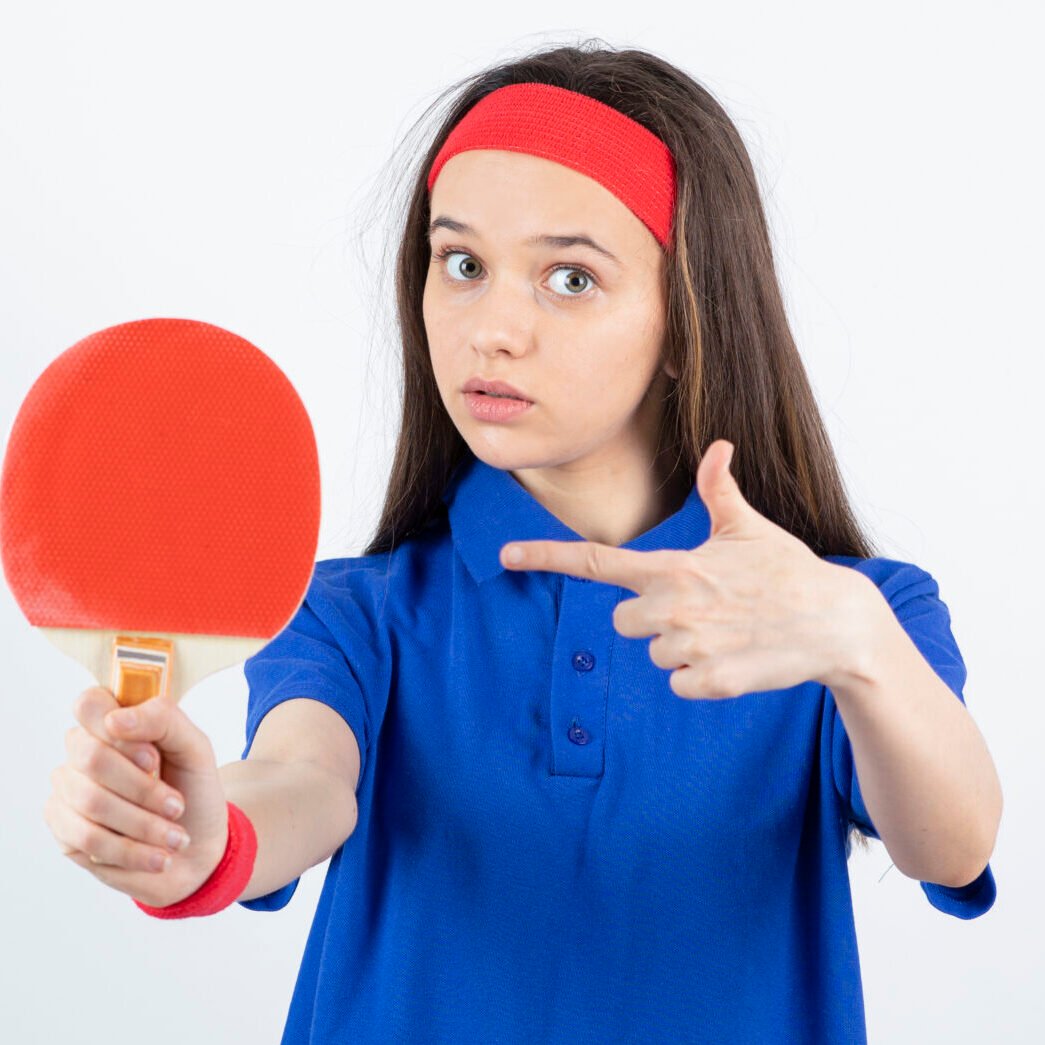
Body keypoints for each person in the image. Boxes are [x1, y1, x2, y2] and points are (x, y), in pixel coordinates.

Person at [44, 41, 1002, 1044]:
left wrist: (857, 646)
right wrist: (205, 835)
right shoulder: (353, 615)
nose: (491, 327)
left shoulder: (849, 615)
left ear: (687, 322)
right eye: (461, 263)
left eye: (570, 279)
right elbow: (305, 783)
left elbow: (951, 843)